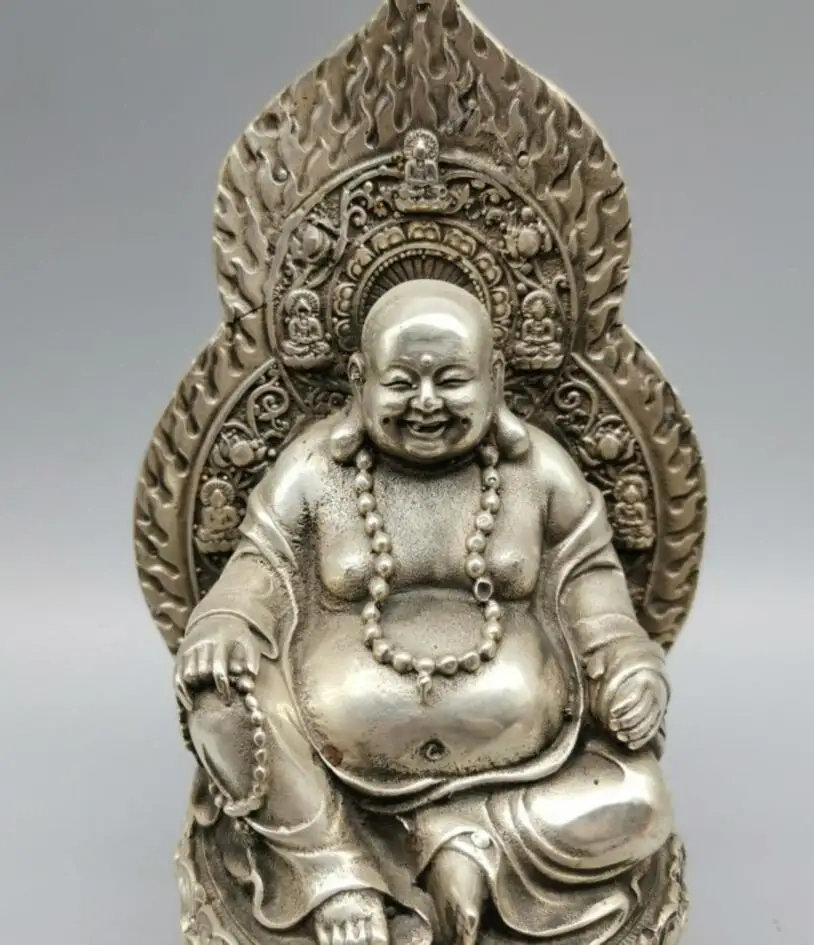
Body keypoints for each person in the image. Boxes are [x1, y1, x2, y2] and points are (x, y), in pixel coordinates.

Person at [175, 280, 673, 945]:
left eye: (453, 380)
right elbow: (254, 573)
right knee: (217, 698)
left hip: (524, 770)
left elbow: (597, 600)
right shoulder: (314, 472)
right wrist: (226, 623)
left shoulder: (540, 474)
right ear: (360, 380)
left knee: (642, 802)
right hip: (329, 775)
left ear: (496, 377)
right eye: (402, 383)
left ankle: (466, 841)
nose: (428, 402)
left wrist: (634, 670)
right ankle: (337, 872)